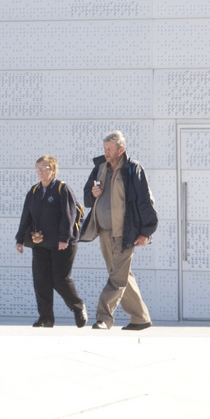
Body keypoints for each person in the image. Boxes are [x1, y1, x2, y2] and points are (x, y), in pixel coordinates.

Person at [81, 130, 158, 331]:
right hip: (104, 232)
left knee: (117, 278)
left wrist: (146, 232)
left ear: (121, 149)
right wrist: (93, 192)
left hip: (126, 233)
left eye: (109, 149)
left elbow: (144, 201)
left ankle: (104, 318)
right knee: (121, 275)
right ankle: (141, 318)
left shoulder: (133, 169)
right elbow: (87, 199)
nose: (106, 152)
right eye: (104, 148)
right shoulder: (99, 168)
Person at [14, 155, 86, 328]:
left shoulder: (62, 189)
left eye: (44, 168)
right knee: (41, 280)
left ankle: (78, 307)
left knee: (60, 279)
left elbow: (69, 216)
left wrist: (64, 238)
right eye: (38, 168)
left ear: (53, 170)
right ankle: (45, 318)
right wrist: (20, 239)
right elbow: (26, 216)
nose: (40, 171)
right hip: (40, 243)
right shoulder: (34, 192)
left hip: (63, 243)